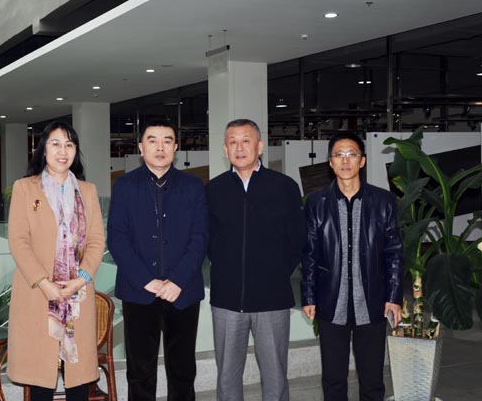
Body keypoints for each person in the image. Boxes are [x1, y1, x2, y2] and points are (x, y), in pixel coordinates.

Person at [107, 119, 208, 401]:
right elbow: (117, 239)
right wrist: (147, 280)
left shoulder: (193, 186)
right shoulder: (124, 185)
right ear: (141, 147)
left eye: (167, 141)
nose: (160, 147)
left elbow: (200, 238)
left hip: (183, 292)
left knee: (183, 370)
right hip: (139, 292)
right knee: (140, 372)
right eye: (152, 140)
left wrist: (177, 280)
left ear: (176, 147)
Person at [206, 118, 305, 401]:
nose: (239, 148)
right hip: (226, 300)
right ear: (225, 149)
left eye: (246, 141)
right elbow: (207, 239)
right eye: (233, 142)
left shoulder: (284, 186)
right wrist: (226, 268)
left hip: (272, 299)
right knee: (227, 377)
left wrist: (275, 272)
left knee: (275, 377)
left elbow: (297, 239)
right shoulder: (213, 190)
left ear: (259, 146)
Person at [7, 121, 106, 401]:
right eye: (56, 144)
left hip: (78, 295)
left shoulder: (87, 191)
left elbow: (97, 240)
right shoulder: (24, 188)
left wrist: (81, 279)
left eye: (69, 145)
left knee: (78, 377)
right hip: (38, 294)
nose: (63, 151)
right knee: (41, 376)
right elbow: (18, 241)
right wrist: (44, 282)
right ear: (43, 150)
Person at [301, 131, 403, 401]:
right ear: (330, 162)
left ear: (362, 160)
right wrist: (309, 295)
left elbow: (394, 252)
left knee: (372, 380)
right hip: (331, 300)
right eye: (339, 155)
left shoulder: (383, 201)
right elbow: (309, 253)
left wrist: (394, 297)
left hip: (371, 302)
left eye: (351, 154)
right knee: (333, 380)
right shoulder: (316, 203)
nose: (345, 160)